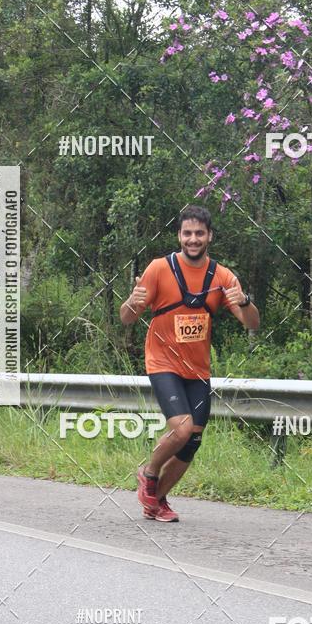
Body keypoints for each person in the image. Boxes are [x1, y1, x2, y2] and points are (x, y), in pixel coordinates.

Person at [119, 205, 260, 522]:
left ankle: (157, 502)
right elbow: (127, 318)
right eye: (187, 233)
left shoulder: (222, 276)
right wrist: (131, 302)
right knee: (182, 429)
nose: (193, 239)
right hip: (162, 362)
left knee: (192, 440)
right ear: (179, 236)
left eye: (199, 233)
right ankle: (149, 472)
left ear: (209, 236)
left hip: (197, 369)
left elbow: (251, 323)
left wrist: (245, 301)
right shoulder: (159, 268)